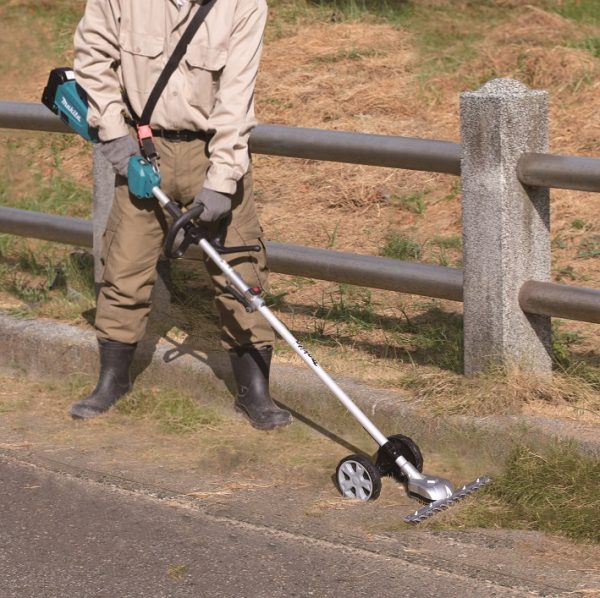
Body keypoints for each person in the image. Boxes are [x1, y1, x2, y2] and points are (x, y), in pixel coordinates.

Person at [68, 0, 293, 430]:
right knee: (123, 266)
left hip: (213, 151)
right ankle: (112, 380)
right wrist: (114, 133)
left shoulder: (244, 6)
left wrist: (223, 180)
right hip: (142, 151)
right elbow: (92, 56)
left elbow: (236, 98)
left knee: (240, 273)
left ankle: (254, 392)